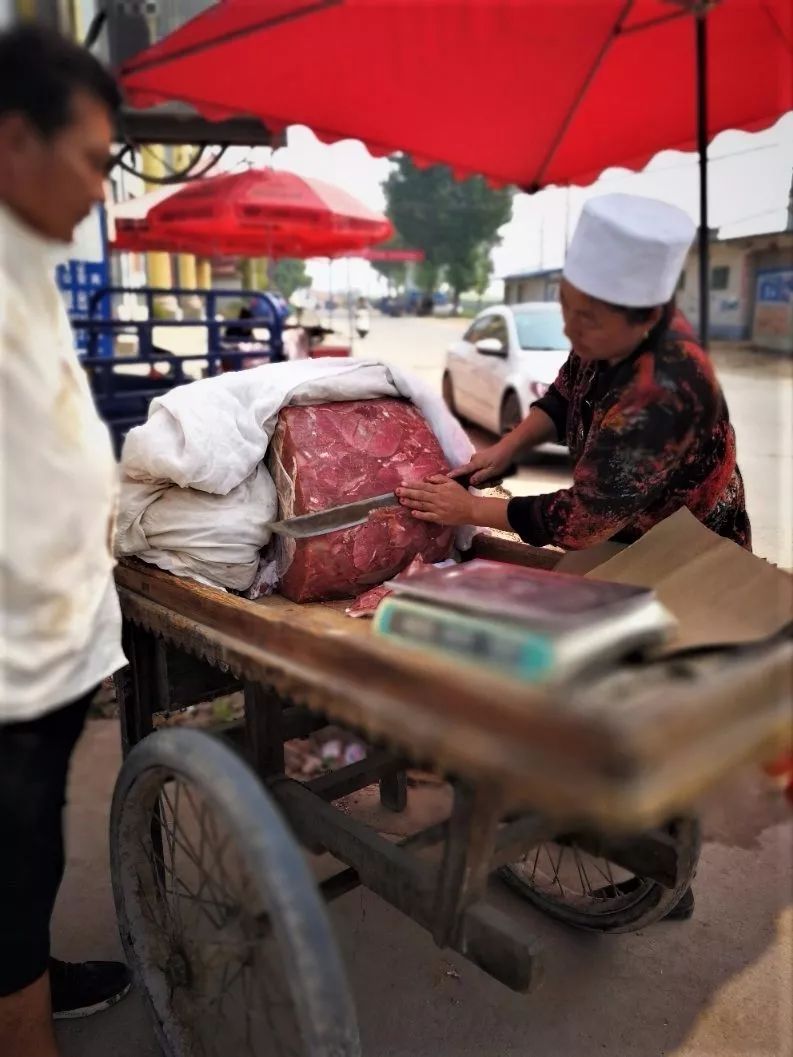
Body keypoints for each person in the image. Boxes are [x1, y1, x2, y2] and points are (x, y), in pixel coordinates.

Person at [0, 24, 131, 1057]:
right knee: (10, 862)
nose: (101, 189)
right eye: (92, 161)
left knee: (31, 851)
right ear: (14, 141)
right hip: (6, 667)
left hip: (47, 654)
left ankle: (30, 979)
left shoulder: (26, 260)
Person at [397, 193, 751, 554]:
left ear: (647, 319)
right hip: (624, 537)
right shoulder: (604, 339)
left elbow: (582, 520)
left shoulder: (664, 392)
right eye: (566, 306)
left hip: (688, 552)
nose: (570, 329)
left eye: (588, 320)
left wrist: (470, 509)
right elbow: (564, 396)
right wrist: (507, 448)